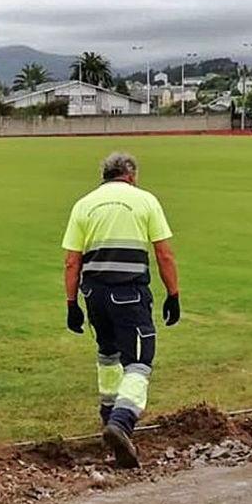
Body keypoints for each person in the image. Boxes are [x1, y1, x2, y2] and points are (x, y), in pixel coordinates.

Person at [61, 152, 181, 468]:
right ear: (130, 174)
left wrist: (72, 304)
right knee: (140, 361)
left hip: (94, 294)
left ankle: (107, 414)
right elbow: (164, 254)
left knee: (107, 352)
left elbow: (72, 260)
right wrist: (174, 294)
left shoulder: (83, 204)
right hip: (129, 293)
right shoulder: (145, 201)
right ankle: (122, 421)